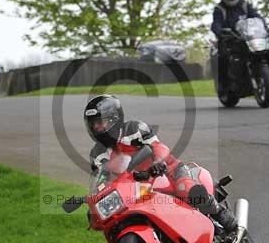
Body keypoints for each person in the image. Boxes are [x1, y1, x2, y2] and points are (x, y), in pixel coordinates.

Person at [84, 94, 237, 232]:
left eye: (100, 122)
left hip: (167, 171)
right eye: (93, 124)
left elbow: (158, 147)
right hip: (135, 187)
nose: (96, 128)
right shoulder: (97, 154)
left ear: (114, 118)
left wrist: (158, 161)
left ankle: (220, 213)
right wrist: (94, 203)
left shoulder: (134, 129)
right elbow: (102, 180)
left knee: (186, 191)